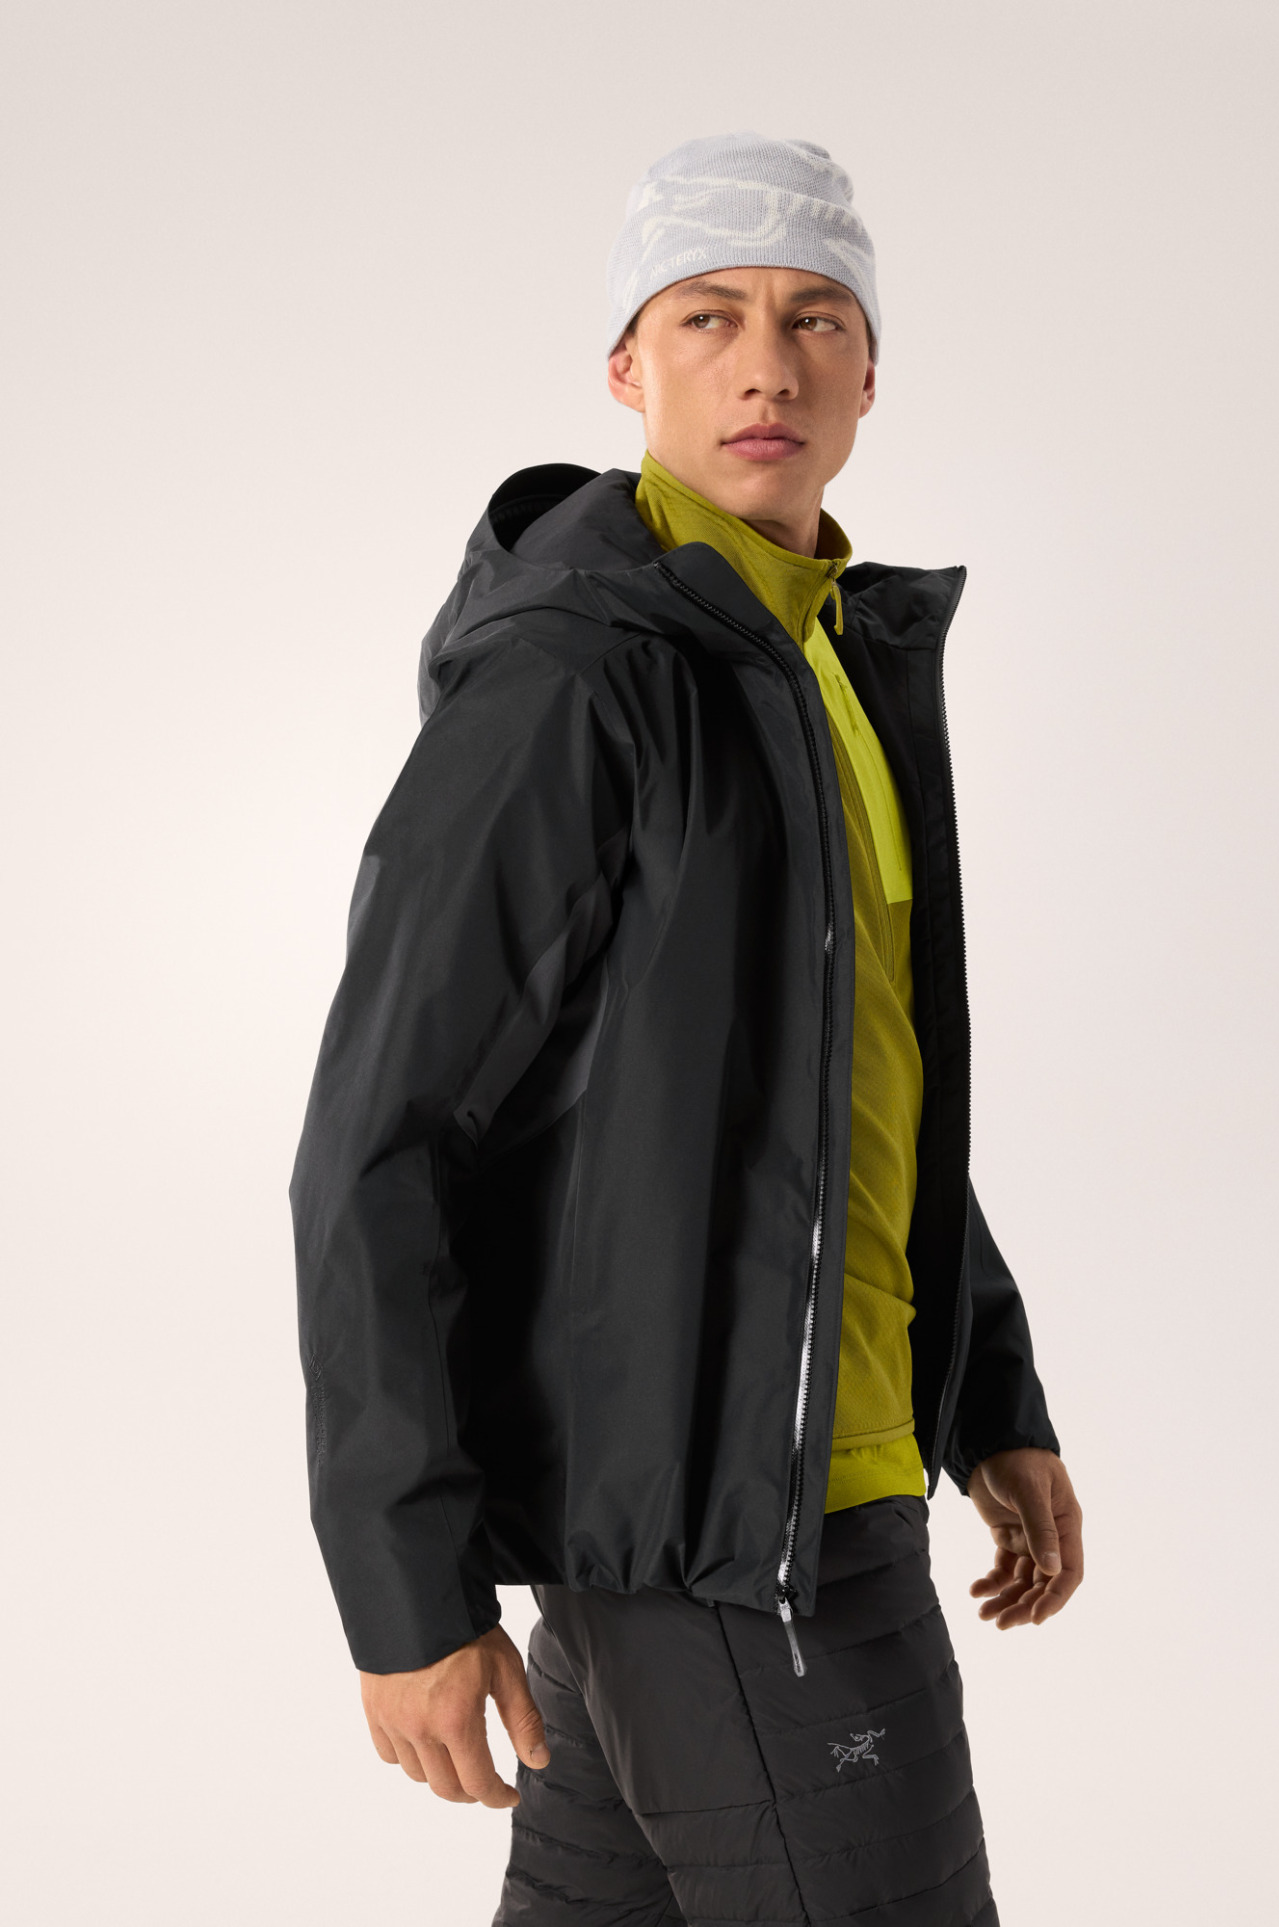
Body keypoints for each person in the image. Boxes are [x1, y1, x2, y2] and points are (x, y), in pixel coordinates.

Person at [292, 132, 1084, 1927]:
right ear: (624, 369)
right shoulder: (573, 678)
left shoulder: (829, 667)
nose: (766, 364)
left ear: (868, 373)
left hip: (783, 1491)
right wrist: (404, 1592)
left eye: (815, 319)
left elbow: (851, 1091)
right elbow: (378, 1142)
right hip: (733, 1542)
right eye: (708, 315)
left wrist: (986, 1392)